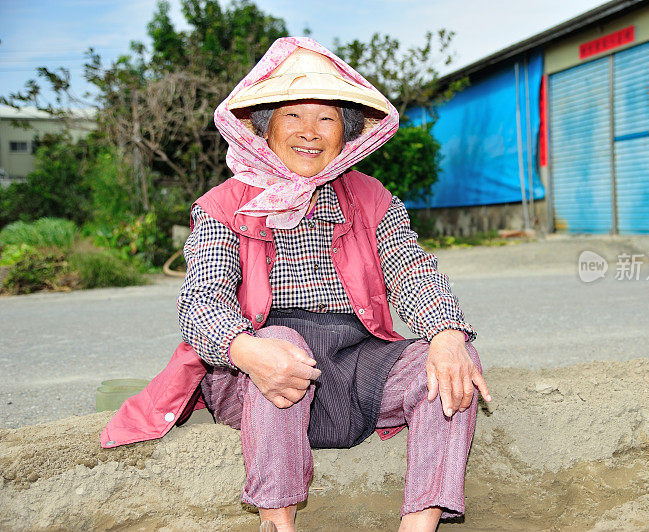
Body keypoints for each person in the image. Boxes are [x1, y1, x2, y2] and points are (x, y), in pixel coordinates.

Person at [101, 37, 489, 532]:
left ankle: (420, 523)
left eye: (326, 119)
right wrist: (246, 349)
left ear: (345, 131)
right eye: (293, 117)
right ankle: (277, 520)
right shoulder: (225, 203)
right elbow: (201, 301)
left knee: (455, 360)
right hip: (259, 372)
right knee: (280, 342)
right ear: (266, 128)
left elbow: (412, 271)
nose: (311, 133)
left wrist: (447, 332)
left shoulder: (370, 197)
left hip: (354, 365)